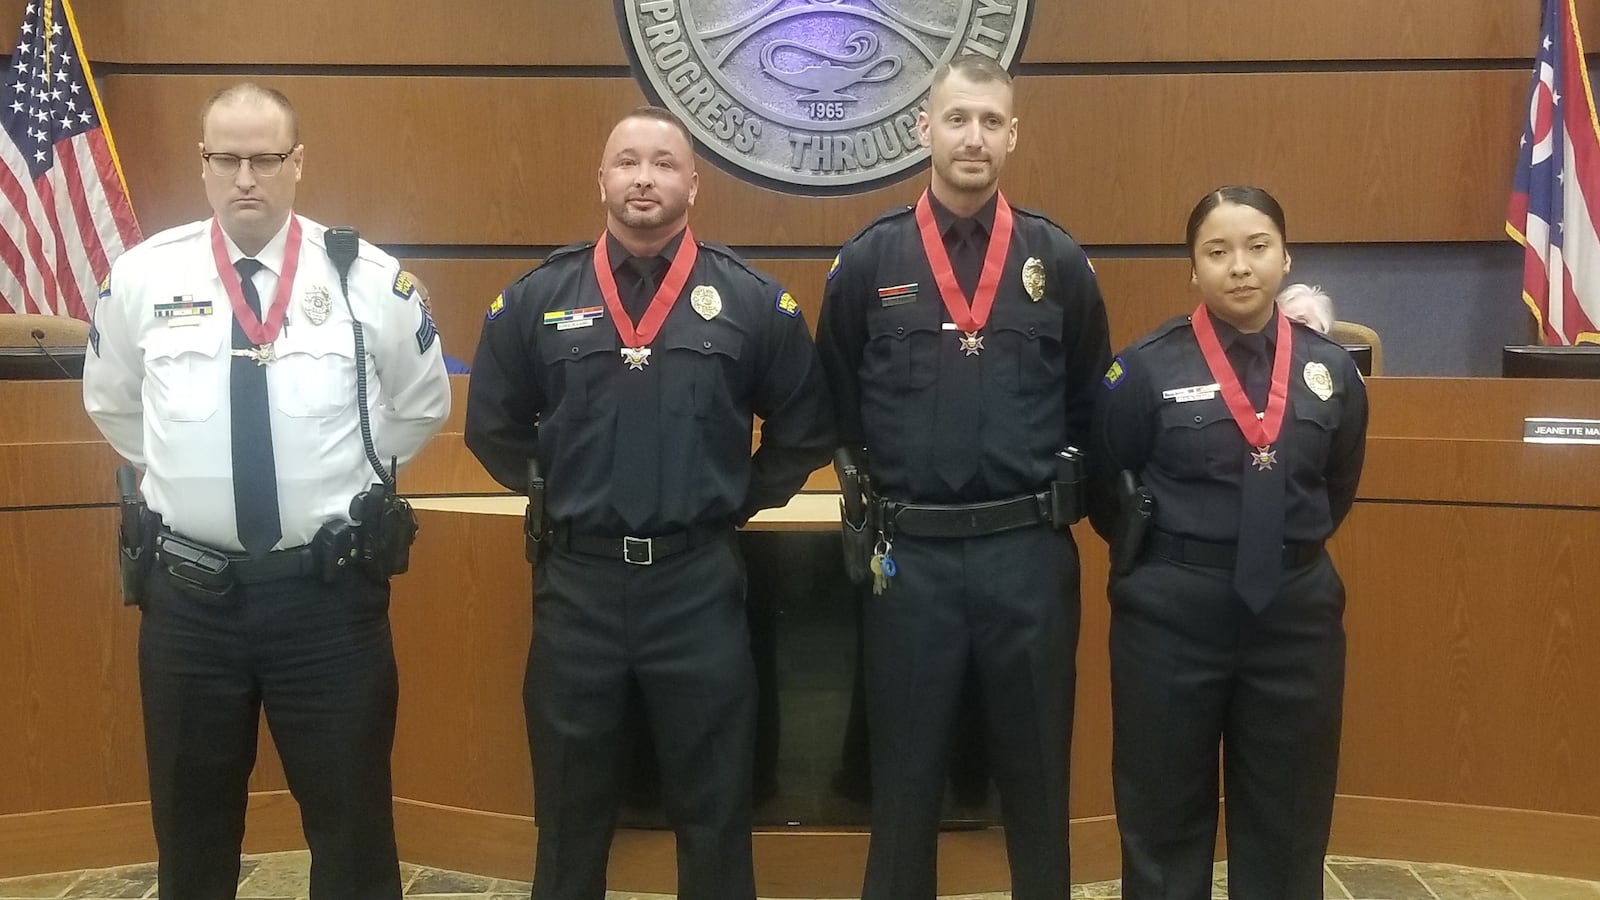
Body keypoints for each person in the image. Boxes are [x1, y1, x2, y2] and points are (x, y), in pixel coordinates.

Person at [81, 83, 451, 899]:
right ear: (203, 165)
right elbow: (111, 399)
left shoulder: (366, 278)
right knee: (191, 833)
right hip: (189, 603)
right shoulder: (145, 275)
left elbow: (422, 402)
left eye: (265, 158)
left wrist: (348, 469)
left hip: (326, 601)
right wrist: (187, 474)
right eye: (227, 159)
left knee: (353, 832)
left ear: (298, 164)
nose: (246, 177)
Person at [463, 106, 833, 900]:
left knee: (715, 809)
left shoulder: (751, 302)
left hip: (696, 586)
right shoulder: (538, 297)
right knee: (569, 814)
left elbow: (805, 430)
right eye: (627, 161)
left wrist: (732, 500)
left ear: (693, 185)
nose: (643, 178)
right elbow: (491, 426)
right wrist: (559, 490)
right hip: (578, 586)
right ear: (601, 178)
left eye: (663, 164)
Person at [816, 55, 1111, 899]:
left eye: (990, 120)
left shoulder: (1057, 260)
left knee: (1037, 783)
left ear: (1013, 134)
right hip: (912, 565)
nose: (973, 136)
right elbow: (834, 396)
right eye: (957, 119)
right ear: (925, 130)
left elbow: (1096, 403)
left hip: (1029, 557)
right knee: (903, 782)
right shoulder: (871, 262)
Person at [1088, 186, 1368, 900]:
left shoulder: (1331, 371)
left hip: (1294, 619)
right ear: (1193, 268)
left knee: (1290, 815)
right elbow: (1105, 491)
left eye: (1257, 247)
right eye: (1217, 252)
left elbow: (1336, 488)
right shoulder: (1143, 369)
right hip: (1173, 615)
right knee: (1162, 815)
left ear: (1285, 256)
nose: (1239, 267)